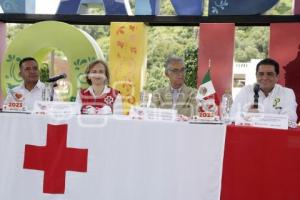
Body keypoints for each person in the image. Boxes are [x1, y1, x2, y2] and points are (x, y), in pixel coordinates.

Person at [230, 58, 298, 122]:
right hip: (250, 133)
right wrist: (246, 116)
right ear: (256, 76)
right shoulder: (246, 91)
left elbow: (290, 119)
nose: (265, 78)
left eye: (269, 74)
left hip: (277, 134)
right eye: (261, 74)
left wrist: (256, 118)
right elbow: (232, 115)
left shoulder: (287, 93)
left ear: (277, 77)